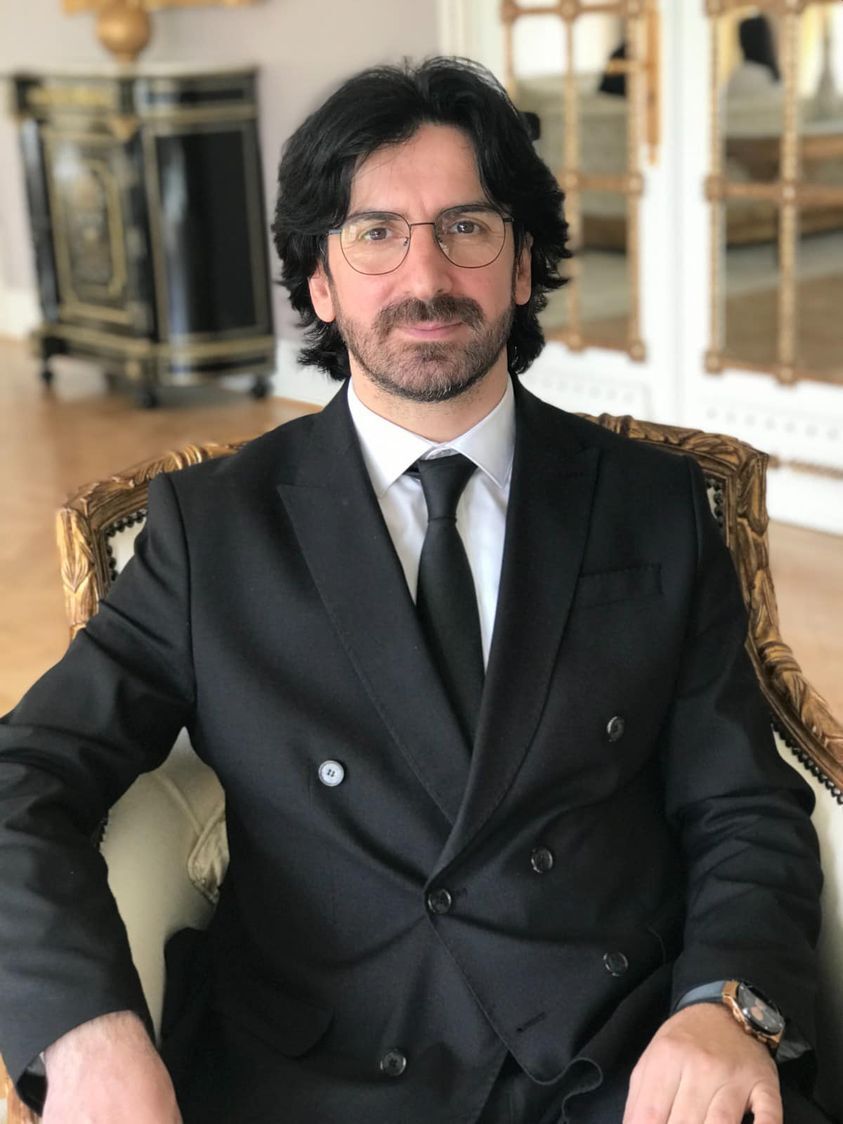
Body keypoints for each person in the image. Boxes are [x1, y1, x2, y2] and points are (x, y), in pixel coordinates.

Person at [0, 57, 829, 1124]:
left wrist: (725, 1002)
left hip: (622, 1062)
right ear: (320, 281)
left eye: (467, 227)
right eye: (376, 232)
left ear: (522, 265)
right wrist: (85, 1032)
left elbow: (743, 807)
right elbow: (24, 777)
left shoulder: (654, 503)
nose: (425, 274)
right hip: (323, 1075)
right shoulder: (213, 529)